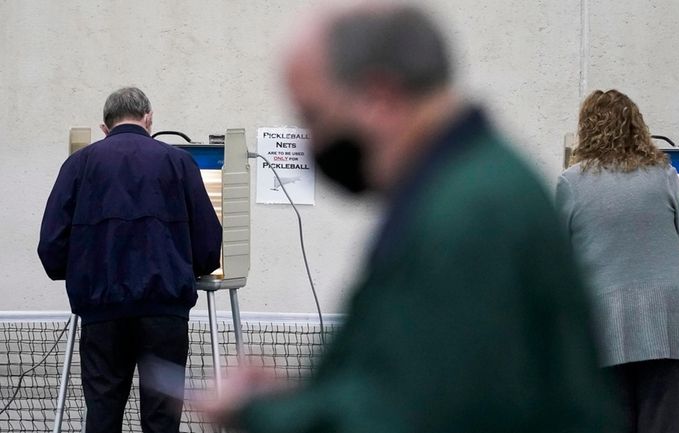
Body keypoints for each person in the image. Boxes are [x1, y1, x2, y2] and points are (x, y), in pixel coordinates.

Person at [204, 4, 617, 433]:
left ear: (379, 97)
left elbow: (417, 415)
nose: (311, 141)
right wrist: (304, 398)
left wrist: (262, 415)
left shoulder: (468, 217)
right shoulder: (467, 189)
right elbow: (415, 378)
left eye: (313, 116)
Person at [38, 87, 222, 433]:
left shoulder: (80, 163)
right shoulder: (179, 162)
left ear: (104, 127)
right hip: (165, 311)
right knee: (161, 416)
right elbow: (209, 244)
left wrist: (80, 273)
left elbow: (51, 245)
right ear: (148, 118)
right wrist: (188, 270)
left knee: (103, 411)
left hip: (102, 312)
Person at [556, 89, 679, 433]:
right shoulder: (664, 176)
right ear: (637, 127)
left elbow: (557, 268)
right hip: (668, 329)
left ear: (587, 130)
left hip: (604, 330)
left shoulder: (571, 183)